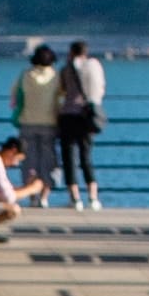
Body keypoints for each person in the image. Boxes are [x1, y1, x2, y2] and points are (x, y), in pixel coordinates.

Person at [11, 45, 63, 208]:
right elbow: (61, 98)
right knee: (48, 160)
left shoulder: (25, 75)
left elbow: (14, 95)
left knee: (29, 161)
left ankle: (32, 195)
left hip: (27, 122)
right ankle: (44, 196)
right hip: (50, 123)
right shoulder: (55, 76)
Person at [58, 39, 107, 209]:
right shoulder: (94, 66)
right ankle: (93, 197)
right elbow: (100, 89)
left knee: (69, 157)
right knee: (86, 156)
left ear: (71, 52)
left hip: (68, 115)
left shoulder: (67, 69)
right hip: (87, 115)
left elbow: (62, 88)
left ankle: (75, 198)